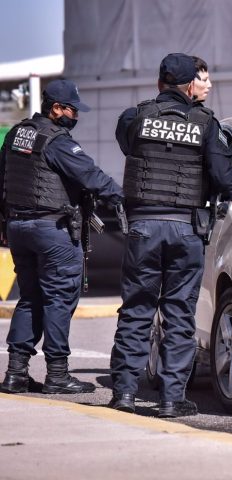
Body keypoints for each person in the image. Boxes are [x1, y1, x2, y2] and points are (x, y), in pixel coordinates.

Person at [110, 53, 232, 418]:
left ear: (159, 83)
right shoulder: (205, 123)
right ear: (191, 86)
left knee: (137, 310)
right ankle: (172, 398)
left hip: (143, 227)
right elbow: (221, 175)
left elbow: (128, 147)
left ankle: (124, 392)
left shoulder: (134, 116)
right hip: (185, 229)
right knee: (179, 314)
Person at [0, 79, 124, 395]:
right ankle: (57, 374)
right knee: (59, 298)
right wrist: (124, 197)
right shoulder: (57, 142)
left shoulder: (17, 135)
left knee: (30, 297)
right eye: (72, 110)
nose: (76, 117)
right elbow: (92, 177)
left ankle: (15, 374)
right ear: (56, 109)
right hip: (51, 230)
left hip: (18, 228)